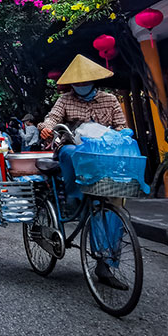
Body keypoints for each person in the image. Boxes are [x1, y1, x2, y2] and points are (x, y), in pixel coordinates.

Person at [39, 54, 129, 290]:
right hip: (74, 150)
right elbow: (51, 119)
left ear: (93, 81)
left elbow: (122, 126)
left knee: (114, 211)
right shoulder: (65, 100)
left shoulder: (109, 101)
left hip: (102, 154)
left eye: (84, 82)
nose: (80, 86)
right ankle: (74, 195)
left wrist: (123, 134)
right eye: (76, 83)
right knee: (68, 152)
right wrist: (47, 129)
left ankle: (106, 262)